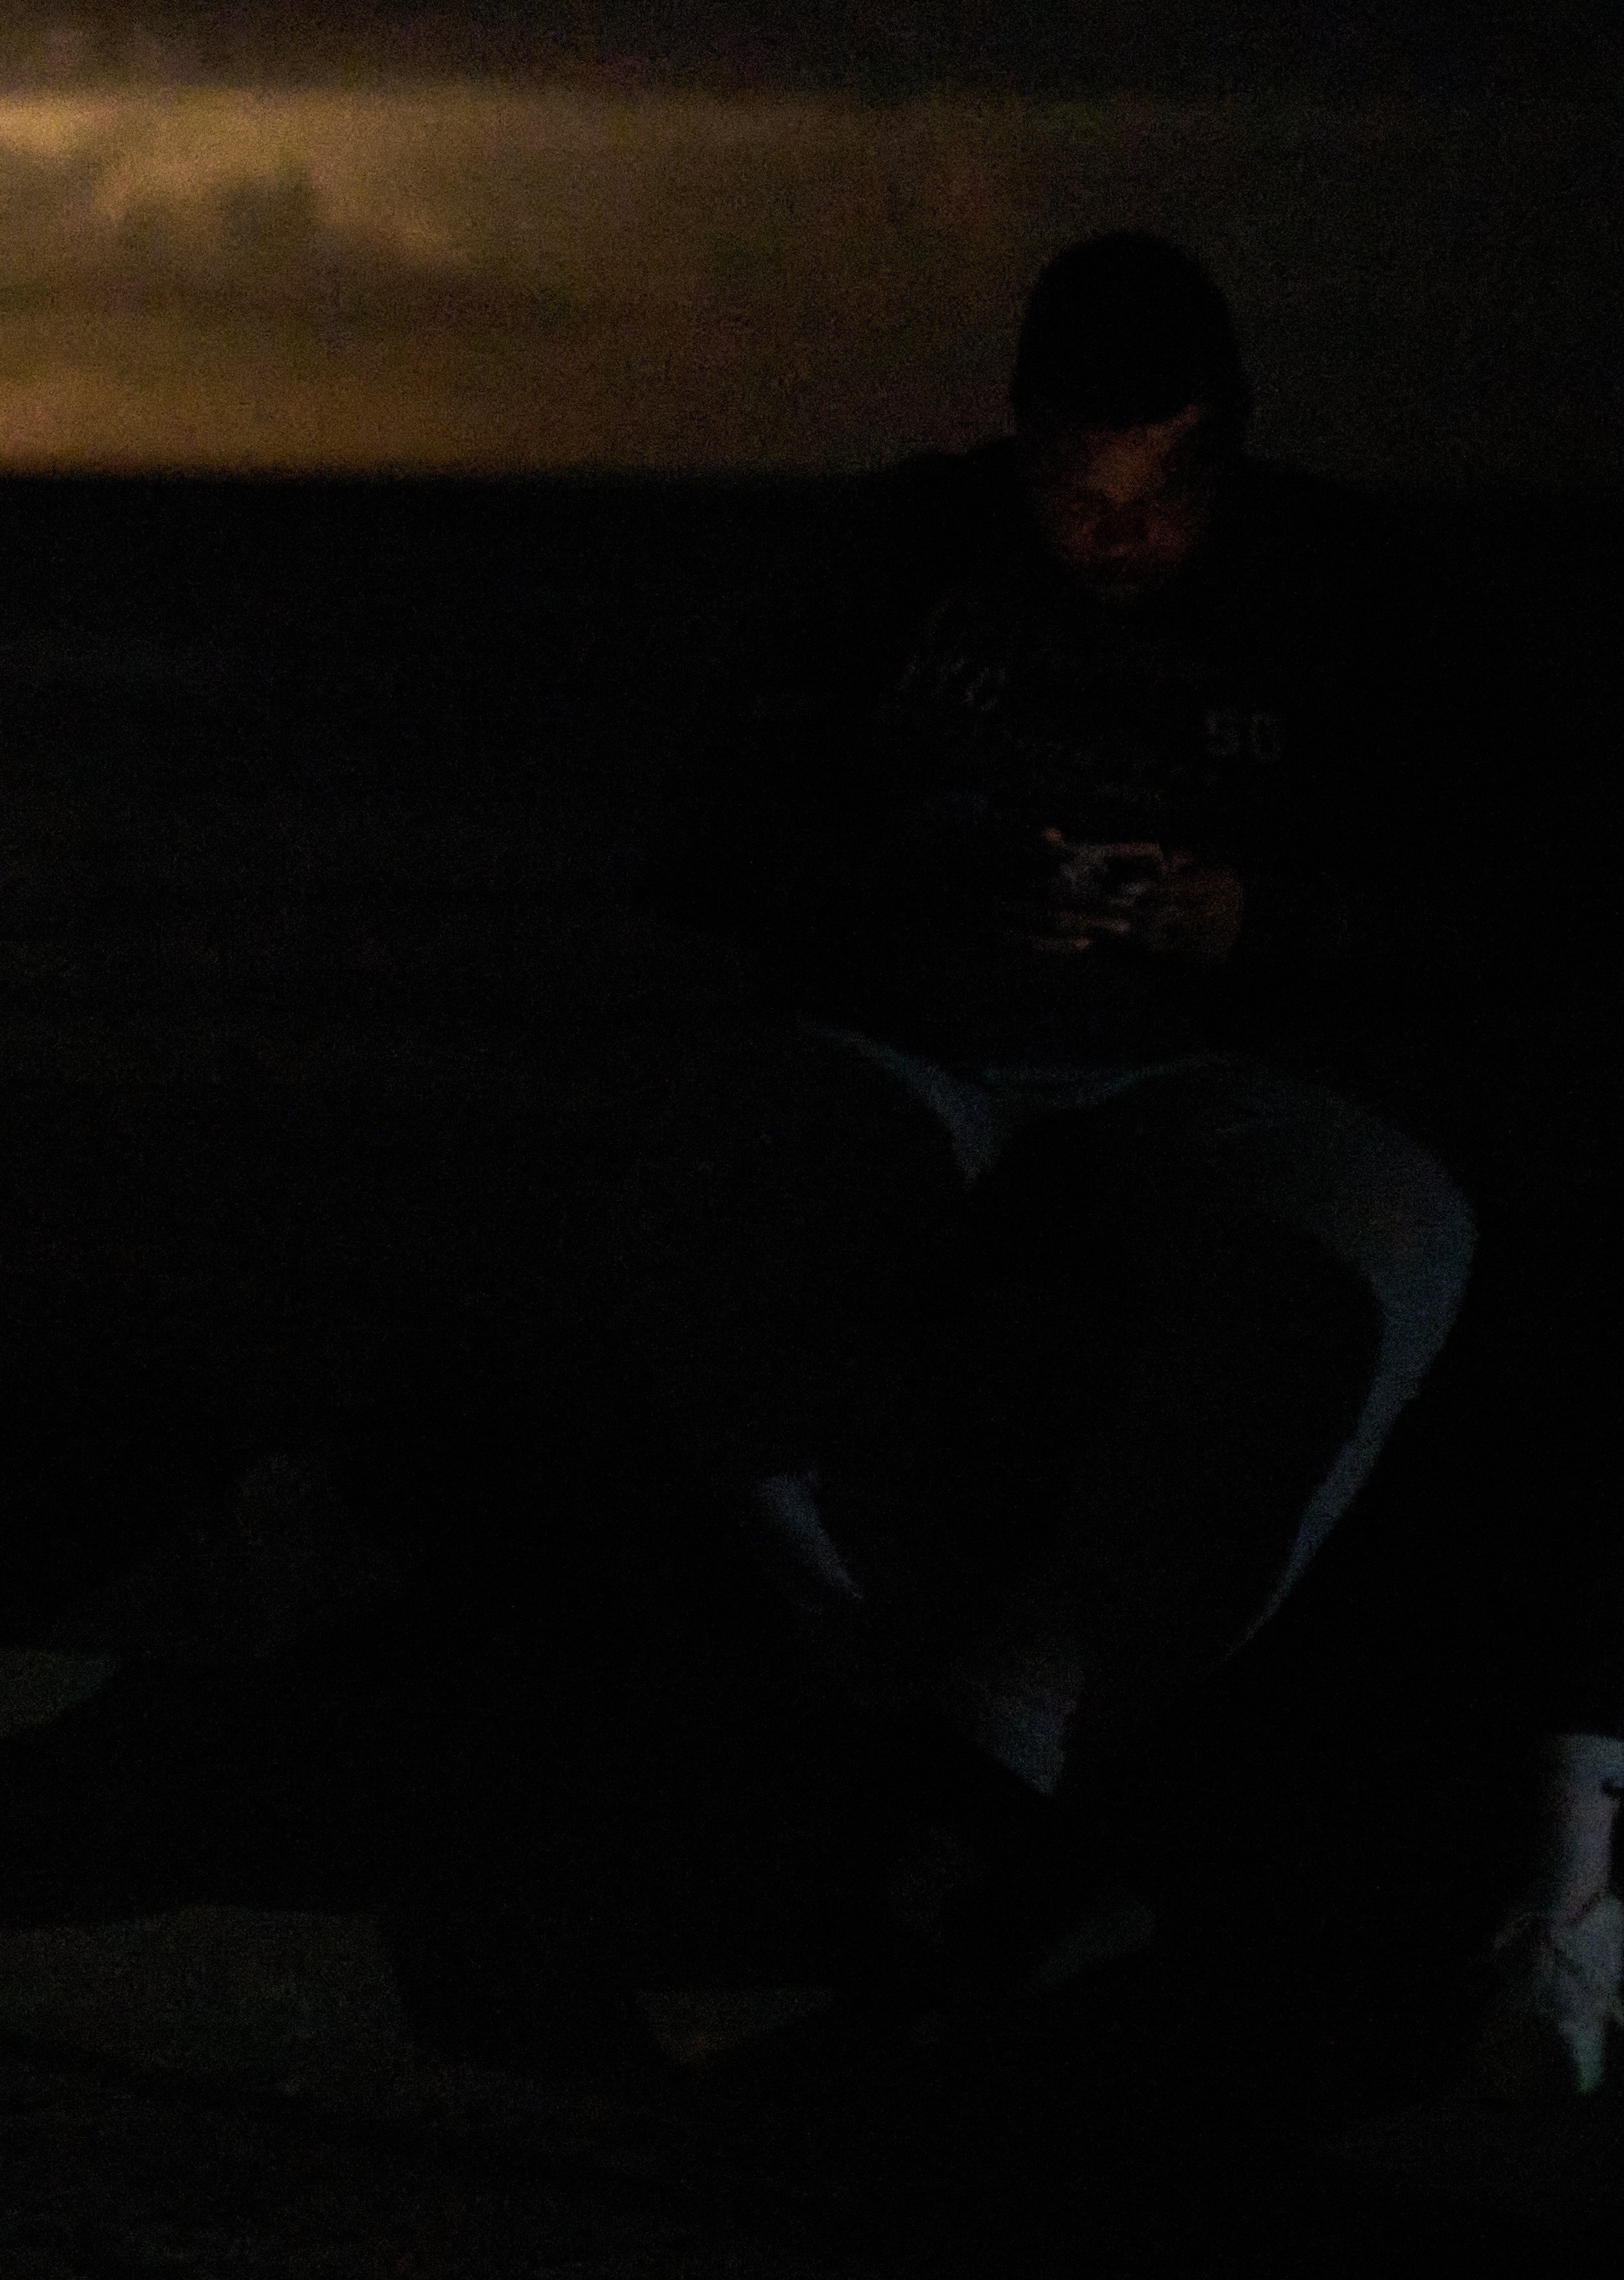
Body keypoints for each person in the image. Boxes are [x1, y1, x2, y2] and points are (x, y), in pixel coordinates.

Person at [618, 232, 1474, 1991]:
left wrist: (1259, 922)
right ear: (1017, 445)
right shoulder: (894, 558)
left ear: (1226, 447)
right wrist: (907, 867)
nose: (1120, 538)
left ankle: (1010, 1727)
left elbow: (1483, 888)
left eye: (1165, 494)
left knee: (1379, 1254)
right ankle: (885, 1690)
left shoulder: (1342, 583)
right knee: (728, 1202)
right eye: (1079, 494)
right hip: (909, 1035)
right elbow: (702, 841)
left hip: (1207, 1062)